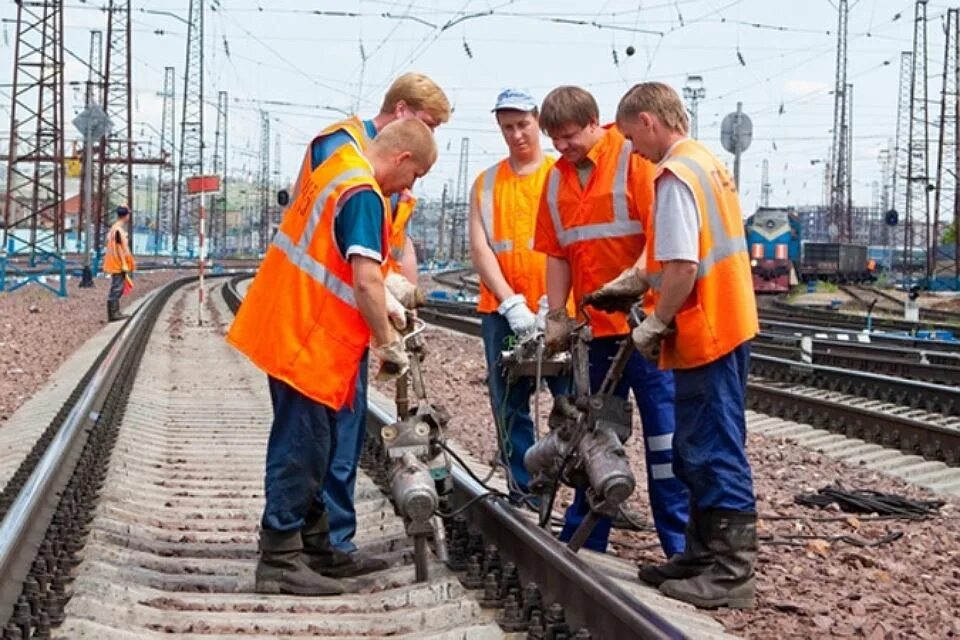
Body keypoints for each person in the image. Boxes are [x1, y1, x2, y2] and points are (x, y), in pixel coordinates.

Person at [226, 118, 438, 596]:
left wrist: (389, 290)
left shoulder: (338, 167)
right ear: (402, 158)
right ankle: (280, 558)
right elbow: (362, 280)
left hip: (299, 328)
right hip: (308, 336)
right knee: (301, 447)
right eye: (416, 175)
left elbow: (346, 265)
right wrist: (386, 343)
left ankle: (318, 547)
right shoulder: (363, 192)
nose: (411, 187)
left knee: (317, 446)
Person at [595, 81, 759, 609]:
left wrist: (655, 320)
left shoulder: (673, 175)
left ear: (648, 121)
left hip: (705, 330)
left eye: (630, 138)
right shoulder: (705, 162)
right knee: (699, 449)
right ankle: (701, 556)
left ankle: (731, 574)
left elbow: (684, 265)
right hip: (725, 322)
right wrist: (638, 280)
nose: (633, 151)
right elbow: (678, 256)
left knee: (713, 451)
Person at [533, 86, 688, 557]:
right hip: (596, 335)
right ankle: (586, 540)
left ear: (594, 123)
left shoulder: (632, 159)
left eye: (570, 136)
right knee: (592, 440)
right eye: (554, 139)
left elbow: (660, 232)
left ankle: (679, 546)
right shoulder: (556, 179)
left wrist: (637, 283)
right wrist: (557, 313)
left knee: (665, 441)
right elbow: (557, 254)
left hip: (648, 331)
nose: (562, 146)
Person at [313, 73, 450, 564]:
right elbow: (340, 241)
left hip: (353, 313)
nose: (432, 136)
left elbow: (392, 242)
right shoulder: (343, 150)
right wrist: (381, 320)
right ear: (403, 113)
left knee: (342, 433)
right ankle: (327, 543)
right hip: (327, 317)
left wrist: (401, 293)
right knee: (322, 438)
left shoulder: (385, 172)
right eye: (429, 124)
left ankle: (332, 540)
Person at [469, 89, 570, 501]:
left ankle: (574, 485)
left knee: (569, 403)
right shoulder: (488, 183)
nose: (516, 135)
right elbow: (481, 248)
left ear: (538, 122)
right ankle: (524, 487)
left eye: (523, 124)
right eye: (507, 127)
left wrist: (554, 305)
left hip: (559, 311)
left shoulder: (560, 174)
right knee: (510, 403)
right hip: (504, 313)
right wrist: (510, 301)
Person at [103, 204, 135, 322]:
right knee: (117, 288)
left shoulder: (115, 229)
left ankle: (115, 312)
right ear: (125, 216)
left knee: (118, 287)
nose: (129, 217)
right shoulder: (117, 230)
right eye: (128, 214)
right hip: (118, 263)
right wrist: (124, 263)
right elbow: (120, 248)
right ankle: (113, 314)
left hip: (116, 262)